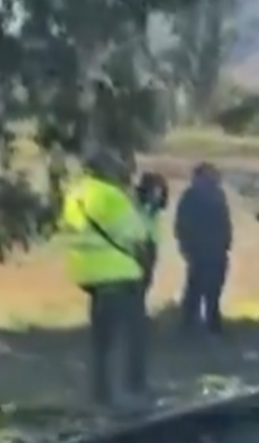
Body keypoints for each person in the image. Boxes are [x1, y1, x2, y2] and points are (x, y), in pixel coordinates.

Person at [57, 149, 149, 408]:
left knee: (101, 338)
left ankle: (101, 392)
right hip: (118, 272)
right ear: (107, 169)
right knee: (131, 334)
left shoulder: (73, 194)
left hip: (87, 273)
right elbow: (137, 235)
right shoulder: (111, 195)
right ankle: (130, 389)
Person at [174, 162, 232, 334]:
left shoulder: (217, 195)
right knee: (197, 287)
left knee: (212, 287)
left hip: (215, 247)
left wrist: (226, 241)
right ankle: (192, 323)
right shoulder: (191, 196)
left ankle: (207, 321)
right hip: (200, 247)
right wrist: (187, 246)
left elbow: (224, 221)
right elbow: (182, 224)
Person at [134, 172, 168, 298]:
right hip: (139, 243)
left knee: (147, 280)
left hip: (151, 244)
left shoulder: (155, 207)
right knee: (138, 281)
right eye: (155, 191)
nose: (158, 195)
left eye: (160, 191)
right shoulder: (138, 204)